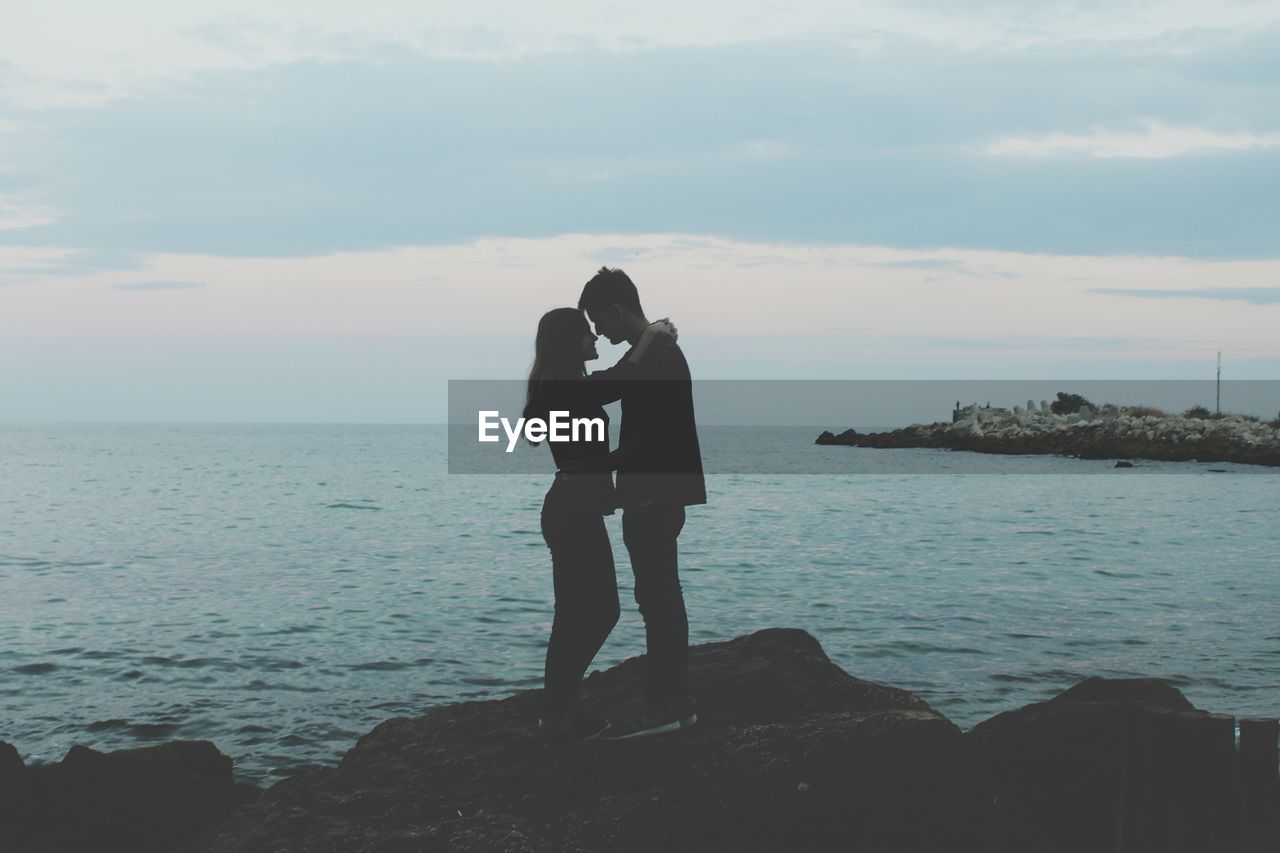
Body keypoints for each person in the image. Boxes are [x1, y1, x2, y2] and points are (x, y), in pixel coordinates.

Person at [523, 307, 674, 744]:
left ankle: (559, 712)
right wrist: (651, 334)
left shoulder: (564, 387)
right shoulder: (565, 387)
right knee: (593, 613)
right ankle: (556, 715)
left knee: (578, 615)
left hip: (574, 508)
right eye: (588, 334)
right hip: (572, 511)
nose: (595, 339)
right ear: (570, 342)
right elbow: (622, 377)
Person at [572, 267, 706, 740]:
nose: (598, 330)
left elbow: (656, 432)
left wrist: (609, 473)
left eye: (598, 319)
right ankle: (672, 701)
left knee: (659, 599)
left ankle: (665, 703)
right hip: (655, 490)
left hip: (653, 492)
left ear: (616, 310)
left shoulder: (658, 356)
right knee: (659, 597)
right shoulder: (650, 352)